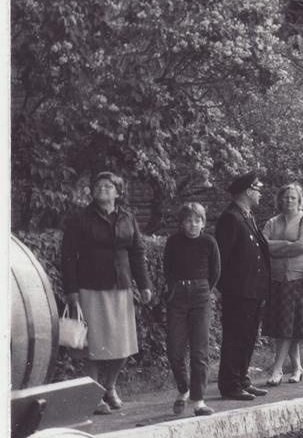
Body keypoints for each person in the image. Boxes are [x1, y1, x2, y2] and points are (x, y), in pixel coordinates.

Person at [61, 171, 154, 415]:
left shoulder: (127, 218)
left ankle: (110, 387)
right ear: (92, 191)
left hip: (121, 287)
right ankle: (94, 397)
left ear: (118, 191)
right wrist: (71, 292)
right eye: (98, 185)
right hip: (90, 288)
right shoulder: (80, 219)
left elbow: (137, 253)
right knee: (94, 347)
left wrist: (144, 285)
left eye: (109, 185)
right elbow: (68, 257)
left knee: (123, 344)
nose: (103, 188)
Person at [215, 171, 271, 401]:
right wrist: (226, 288)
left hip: (253, 289)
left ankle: (242, 378)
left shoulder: (246, 216)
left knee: (248, 336)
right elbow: (222, 257)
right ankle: (230, 384)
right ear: (248, 191)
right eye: (258, 189)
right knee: (235, 336)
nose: (260, 194)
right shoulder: (230, 218)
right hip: (238, 291)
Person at [163, 202, 220, 417]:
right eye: (188, 220)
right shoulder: (173, 242)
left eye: (197, 220)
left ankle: (198, 400)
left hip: (201, 296)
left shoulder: (209, 242)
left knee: (199, 352)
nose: (193, 224)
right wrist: (174, 289)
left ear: (203, 223)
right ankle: (183, 388)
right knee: (175, 350)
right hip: (177, 297)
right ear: (181, 223)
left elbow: (215, 271)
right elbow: (167, 269)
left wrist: (203, 290)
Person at [262, 183, 303, 386]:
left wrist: (276, 248)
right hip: (276, 278)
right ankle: (297, 368)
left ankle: (277, 370)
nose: (289, 201)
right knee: (285, 325)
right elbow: (261, 245)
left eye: (293, 197)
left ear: (300, 200)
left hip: (299, 278)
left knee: (287, 327)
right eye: (285, 197)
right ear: (279, 200)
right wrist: (287, 245)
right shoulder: (272, 222)